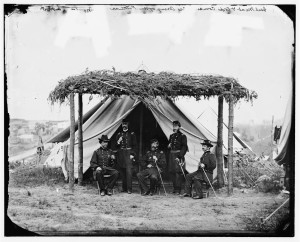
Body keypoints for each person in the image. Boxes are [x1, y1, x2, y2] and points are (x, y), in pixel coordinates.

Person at [114, 119, 137, 194]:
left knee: (129, 172)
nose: (124, 125)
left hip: (129, 153)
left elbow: (135, 146)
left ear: (128, 124)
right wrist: (118, 142)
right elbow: (116, 146)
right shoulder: (119, 134)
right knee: (123, 172)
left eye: (125, 124)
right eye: (123, 124)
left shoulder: (132, 134)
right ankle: (124, 188)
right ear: (121, 125)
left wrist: (132, 154)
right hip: (121, 154)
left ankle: (129, 189)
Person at [167, 120, 188, 195]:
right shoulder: (171, 136)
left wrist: (180, 157)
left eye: (176, 126)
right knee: (172, 171)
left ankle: (178, 189)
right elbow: (169, 146)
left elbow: (184, 147)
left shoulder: (183, 136)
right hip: (171, 155)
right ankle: (174, 188)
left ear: (179, 127)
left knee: (178, 172)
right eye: (173, 126)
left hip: (178, 155)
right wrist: (169, 146)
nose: (174, 127)